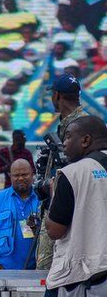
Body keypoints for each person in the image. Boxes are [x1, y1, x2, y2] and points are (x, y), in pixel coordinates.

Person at [46, 117, 107, 296]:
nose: (63, 143)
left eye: (68, 137)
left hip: (80, 278)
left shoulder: (72, 173)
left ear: (85, 140)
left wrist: (53, 195)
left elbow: (55, 230)